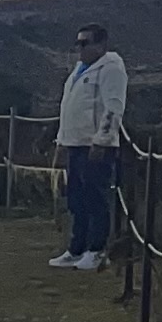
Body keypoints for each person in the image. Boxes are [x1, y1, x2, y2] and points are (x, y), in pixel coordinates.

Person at [52, 23, 133, 271]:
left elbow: (113, 107)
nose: (81, 48)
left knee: (95, 198)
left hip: (94, 146)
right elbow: (67, 108)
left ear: (101, 45)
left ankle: (96, 250)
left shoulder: (111, 69)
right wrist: (61, 141)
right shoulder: (80, 70)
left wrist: (102, 140)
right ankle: (77, 248)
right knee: (77, 198)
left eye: (86, 43)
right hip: (75, 143)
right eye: (78, 43)